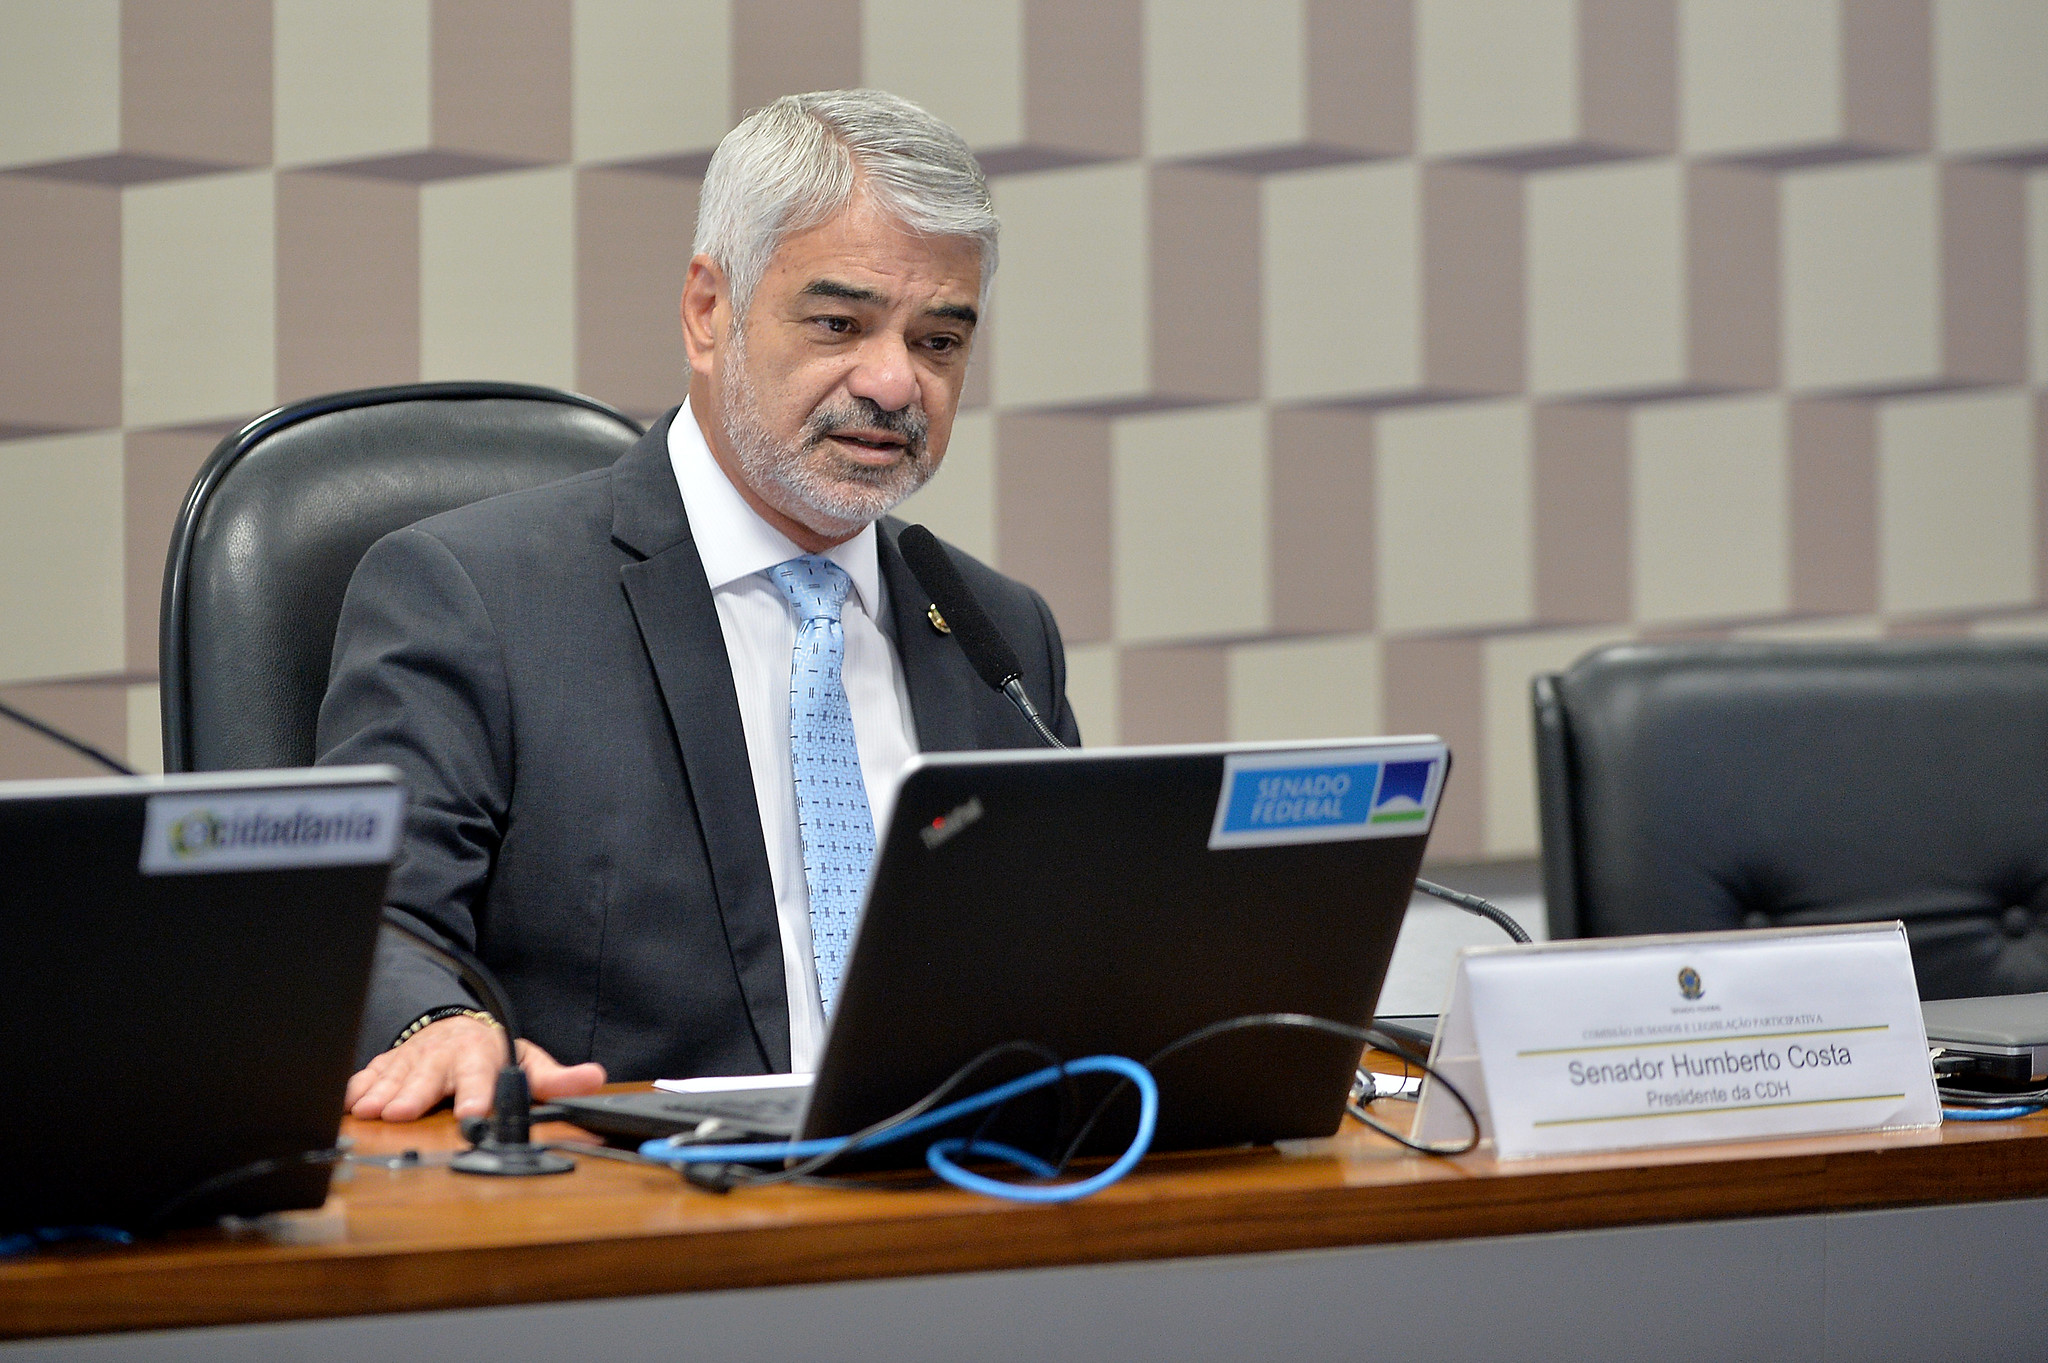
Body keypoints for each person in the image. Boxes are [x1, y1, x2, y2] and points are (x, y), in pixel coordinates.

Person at [323, 90, 1080, 1123]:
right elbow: (363, 923)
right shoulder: (477, 596)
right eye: (838, 323)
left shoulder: (996, 632)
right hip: (629, 1219)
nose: (896, 381)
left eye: (939, 342)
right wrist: (435, 1024)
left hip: (958, 1204)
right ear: (707, 311)